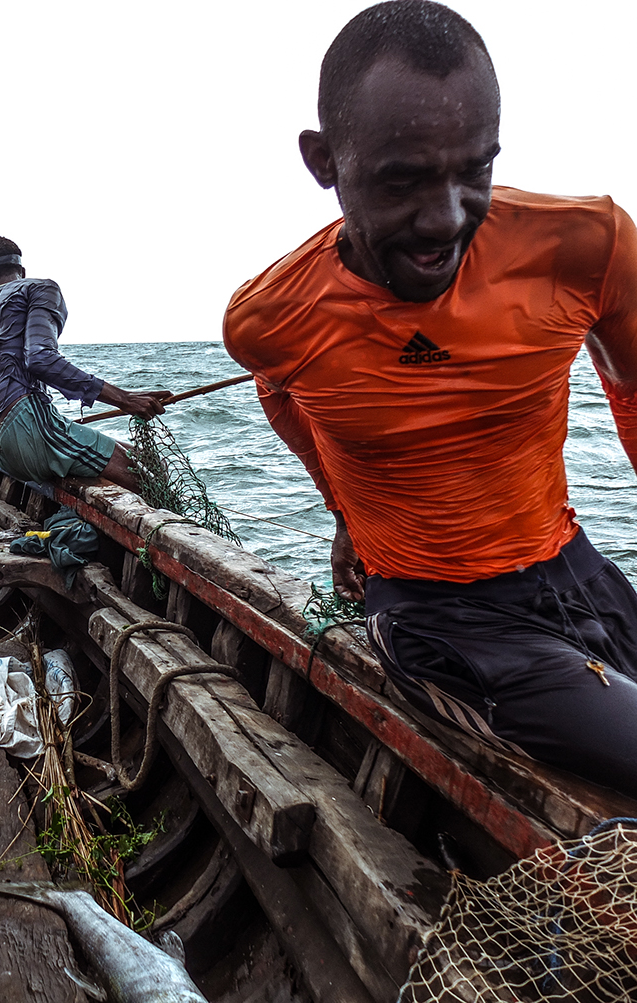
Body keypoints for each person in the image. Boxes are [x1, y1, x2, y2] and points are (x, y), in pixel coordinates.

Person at [223, 0, 637, 795]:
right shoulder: (272, 319)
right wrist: (346, 515)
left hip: (575, 570)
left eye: (474, 169)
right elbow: (286, 402)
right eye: (402, 180)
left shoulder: (587, 246)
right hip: (435, 615)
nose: (445, 219)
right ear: (323, 161)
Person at [0, 237, 170, 493]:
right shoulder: (39, 289)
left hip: (7, 450)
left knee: (151, 460)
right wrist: (124, 399)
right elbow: (41, 359)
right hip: (34, 430)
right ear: (22, 272)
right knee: (145, 478)